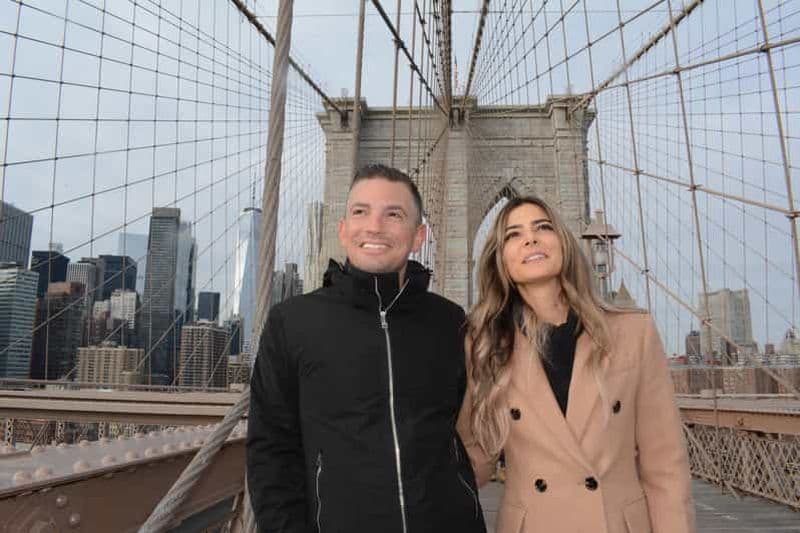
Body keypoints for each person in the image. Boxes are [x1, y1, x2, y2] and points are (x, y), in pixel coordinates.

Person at [247, 164, 486, 533]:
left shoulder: (450, 322)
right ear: (343, 230)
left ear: (418, 235)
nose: (374, 226)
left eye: (394, 214)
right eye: (361, 212)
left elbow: (468, 426)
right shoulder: (291, 322)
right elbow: (271, 451)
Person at [457, 196, 696, 533]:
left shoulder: (632, 332)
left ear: (564, 243)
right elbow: (474, 459)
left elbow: (665, 465)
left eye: (543, 227)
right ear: (501, 260)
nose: (531, 238)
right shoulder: (483, 345)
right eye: (513, 234)